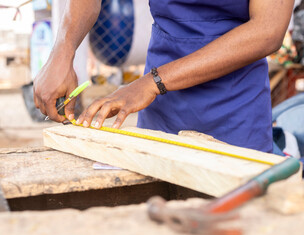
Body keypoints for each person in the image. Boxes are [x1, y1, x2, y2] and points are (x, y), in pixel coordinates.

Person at [34, 0, 294, 153]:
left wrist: (152, 83)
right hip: (161, 103)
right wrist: (62, 52)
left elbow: (268, 30)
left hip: (235, 103)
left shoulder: (151, 85)